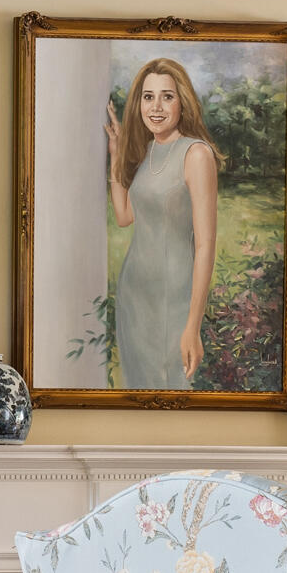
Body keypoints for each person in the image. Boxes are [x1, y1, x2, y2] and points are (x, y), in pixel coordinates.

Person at [104, 57, 220, 390]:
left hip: (175, 297)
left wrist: (193, 325)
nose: (156, 107)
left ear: (183, 101)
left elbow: (205, 244)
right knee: (138, 389)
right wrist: (116, 156)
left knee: (173, 388)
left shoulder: (196, 154)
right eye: (148, 96)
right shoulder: (148, 152)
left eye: (167, 96)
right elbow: (125, 217)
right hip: (135, 295)